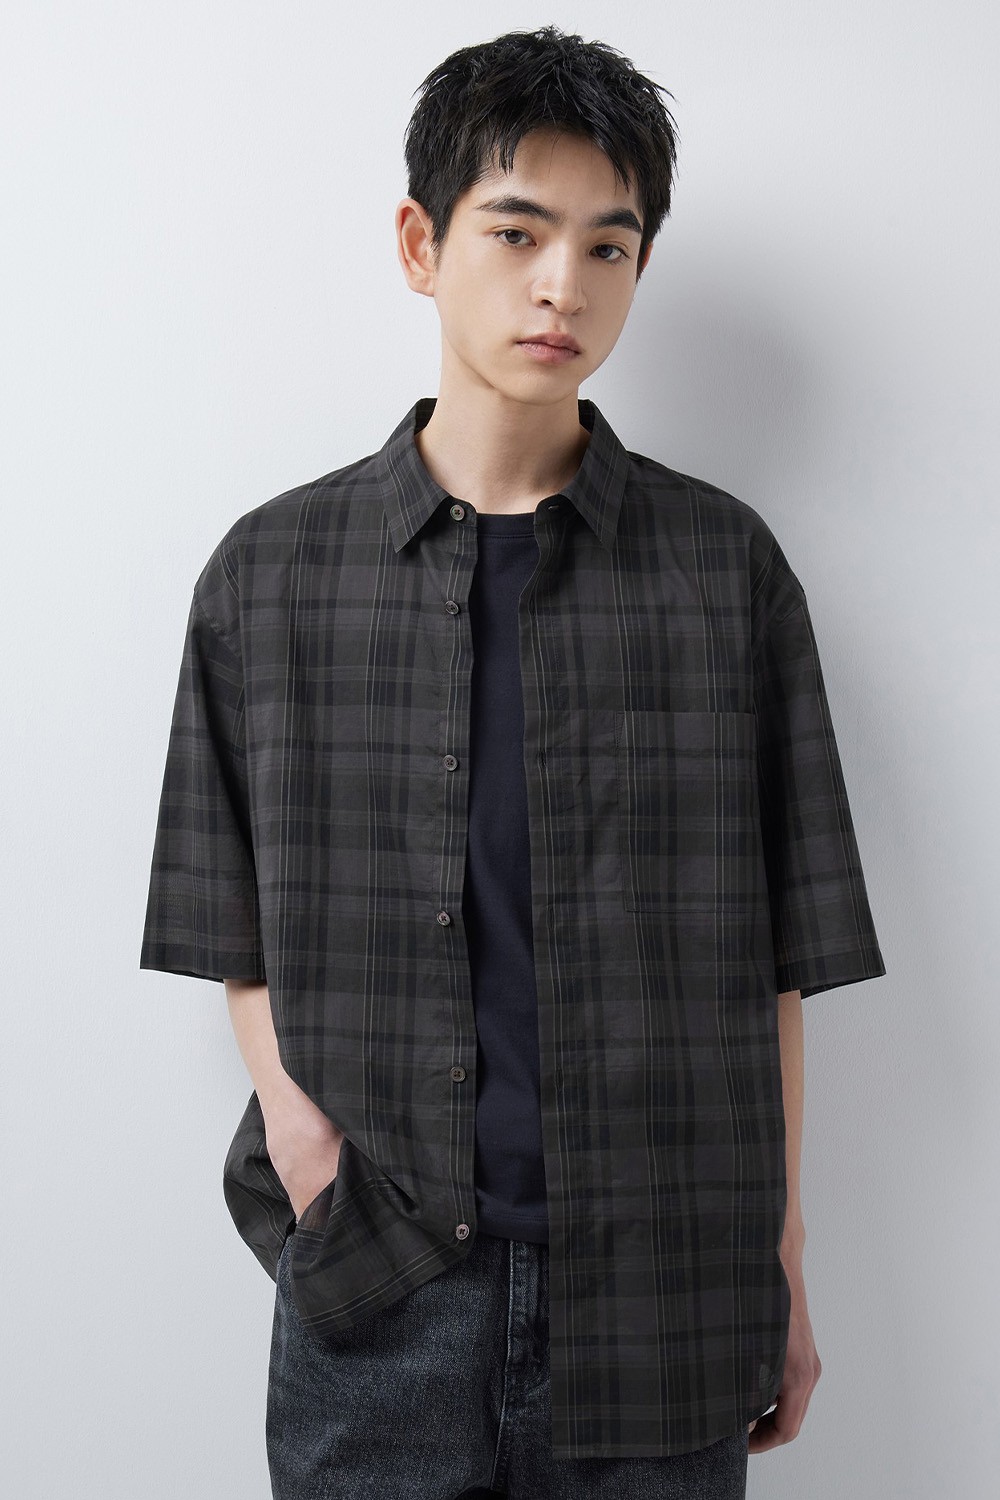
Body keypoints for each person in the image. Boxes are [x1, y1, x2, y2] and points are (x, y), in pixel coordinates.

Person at [139, 24, 886, 1500]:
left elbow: (778, 961)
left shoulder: (723, 570)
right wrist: (303, 1141)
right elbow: (226, 915)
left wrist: (783, 1253)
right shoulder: (273, 572)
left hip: (666, 1292)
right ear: (422, 245)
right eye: (517, 232)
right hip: (382, 1285)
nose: (564, 285)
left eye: (610, 246)